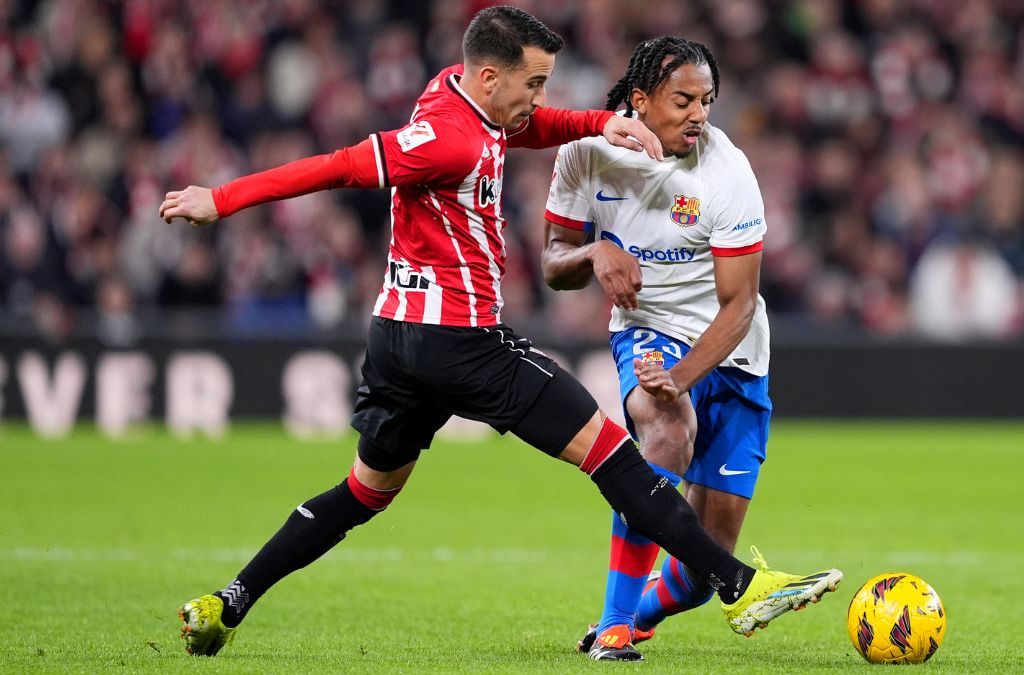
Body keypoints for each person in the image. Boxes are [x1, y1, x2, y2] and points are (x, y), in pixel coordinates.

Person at [159, 7, 838, 658]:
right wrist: (221, 197)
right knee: (615, 455)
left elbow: (533, 128)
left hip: (396, 340)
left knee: (363, 493)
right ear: (490, 78)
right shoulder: (446, 139)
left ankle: (229, 602)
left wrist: (599, 122)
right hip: (461, 342)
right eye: (533, 84)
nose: (539, 100)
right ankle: (739, 587)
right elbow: (337, 165)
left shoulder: (460, 99)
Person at [541, 36, 841, 661]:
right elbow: (553, 263)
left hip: (732, 352)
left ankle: (635, 617)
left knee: (704, 567)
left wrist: (681, 376)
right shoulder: (586, 153)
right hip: (647, 326)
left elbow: (739, 306)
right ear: (641, 99)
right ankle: (614, 627)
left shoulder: (726, 173)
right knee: (667, 432)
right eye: (684, 101)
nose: (699, 114)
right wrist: (595, 251)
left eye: (707, 100)